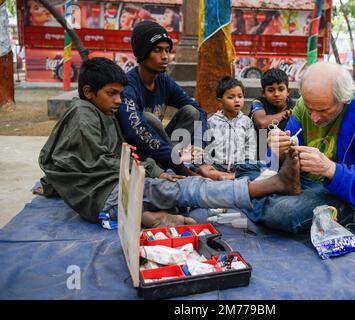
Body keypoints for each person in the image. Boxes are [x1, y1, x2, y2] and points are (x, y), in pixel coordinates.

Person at [38, 57, 301, 228]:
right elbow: (107, 162)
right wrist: (153, 173)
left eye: (120, 93)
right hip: (109, 193)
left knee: (176, 190)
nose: (119, 100)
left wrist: (159, 171)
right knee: (184, 190)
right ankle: (268, 185)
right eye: (112, 94)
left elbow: (67, 164)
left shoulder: (100, 112)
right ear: (89, 92)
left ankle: (151, 216)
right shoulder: (85, 115)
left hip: (109, 193)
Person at [236, 62, 355, 234]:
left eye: (322, 110)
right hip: (299, 182)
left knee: (283, 212)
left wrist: (331, 169)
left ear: (344, 99)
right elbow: (276, 162)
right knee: (244, 168)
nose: (314, 118)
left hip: (345, 196)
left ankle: (250, 196)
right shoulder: (304, 105)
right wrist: (278, 151)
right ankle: (258, 195)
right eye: (309, 108)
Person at [116, 21, 208, 177]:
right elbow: (133, 132)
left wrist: (199, 147)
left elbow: (199, 111)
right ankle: (176, 165)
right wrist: (175, 158)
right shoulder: (128, 86)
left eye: (167, 50)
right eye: (157, 50)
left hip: (161, 152)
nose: (165, 56)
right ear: (143, 53)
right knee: (148, 119)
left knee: (191, 112)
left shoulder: (163, 80)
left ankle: (172, 161)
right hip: (138, 155)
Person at [198, 76, 257, 181]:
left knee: (257, 169)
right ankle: (222, 176)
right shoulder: (212, 122)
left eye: (240, 96)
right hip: (217, 165)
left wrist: (248, 163)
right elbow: (207, 146)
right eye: (231, 97)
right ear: (220, 101)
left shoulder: (247, 122)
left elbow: (250, 145)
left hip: (240, 166)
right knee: (200, 169)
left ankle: (232, 176)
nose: (237, 100)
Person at [248, 68, 295, 156]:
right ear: (263, 93)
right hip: (260, 154)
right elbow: (262, 123)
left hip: (285, 155)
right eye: (271, 90)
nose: (276, 94)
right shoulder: (259, 102)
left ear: (288, 91)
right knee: (262, 132)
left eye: (281, 89)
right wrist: (284, 114)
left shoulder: (294, 106)